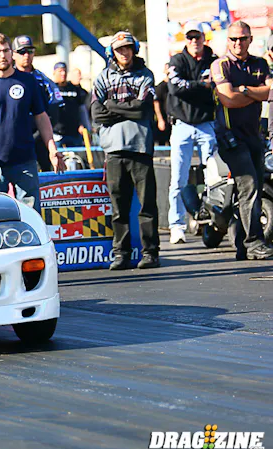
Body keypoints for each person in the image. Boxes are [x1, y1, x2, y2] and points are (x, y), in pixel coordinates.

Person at [91, 31, 160, 270]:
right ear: (112, 52)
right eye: (119, 49)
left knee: (147, 205)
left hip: (140, 148)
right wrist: (126, 108)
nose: (124, 53)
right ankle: (121, 254)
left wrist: (112, 106)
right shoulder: (103, 77)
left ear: (134, 49)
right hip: (113, 150)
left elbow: (142, 109)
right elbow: (96, 113)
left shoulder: (145, 75)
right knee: (118, 208)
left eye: (128, 48)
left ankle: (150, 252)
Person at [0, 33, 65, 212]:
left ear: (11, 52)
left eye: (6, 50)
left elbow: (41, 117)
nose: (3, 55)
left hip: (25, 160)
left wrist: (52, 149)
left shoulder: (28, 81)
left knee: (31, 214)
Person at [211, 21, 273, 260]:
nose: (238, 43)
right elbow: (228, 99)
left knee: (252, 187)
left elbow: (271, 92)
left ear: (250, 39)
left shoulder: (260, 64)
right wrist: (256, 93)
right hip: (229, 136)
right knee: (249, 186)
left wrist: (244, 90)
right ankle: (254, 242)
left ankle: (241, 244)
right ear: (228, 40)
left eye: (243, 38)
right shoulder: (220, 65)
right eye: (234, 39)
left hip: (254, 135)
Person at [166, 22, 219, 244]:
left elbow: (217, 86)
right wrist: (201, 85)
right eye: (190, 37)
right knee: (177, 178)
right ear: (185, 39)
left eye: (197, 37)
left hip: (207, 124)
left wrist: (193, 86)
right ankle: (176, 225)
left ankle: (214, 220)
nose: (194, 41)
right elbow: (174, 87)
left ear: (204, 38)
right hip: (182, 125)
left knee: (214, 177)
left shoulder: (214, 60)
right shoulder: (178, 60)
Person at [11, 35, 65, 172]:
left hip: (40, 139)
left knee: (45, 174)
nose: (26, 55)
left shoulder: (43, 80)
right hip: (14, 141)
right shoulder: (7, 79)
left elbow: (55, 110)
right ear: (13, 54)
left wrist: (39, 135)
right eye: (22, 52)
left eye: (30, 51)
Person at [51, 62, 86, 148]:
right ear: (54, 73)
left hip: (74, 133)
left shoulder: (74, 88)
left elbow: (81, 109)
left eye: (64, 71)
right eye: (60, 71)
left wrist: (83, 125)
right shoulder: (51, 88)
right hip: (57, 133)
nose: (63, 74)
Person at [153, 63, 171, 147]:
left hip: (174, 120)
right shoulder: (161, 87)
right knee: (162, 143)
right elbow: (156, 103)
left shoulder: (176, 86)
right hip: (164, 119)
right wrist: (160, 120)